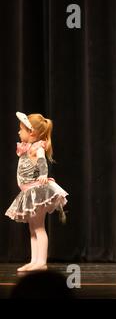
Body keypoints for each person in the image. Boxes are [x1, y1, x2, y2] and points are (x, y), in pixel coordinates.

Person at [6, 112, 68, 272]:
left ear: (31, 132)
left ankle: (41, 262)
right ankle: (34, 260)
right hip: (28, 192)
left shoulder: (36, 147)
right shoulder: (26, 148)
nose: (19, 132)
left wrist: (43, 174)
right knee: (32, 228)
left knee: (39, 227)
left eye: (21, 129)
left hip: (37, 192)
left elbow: (41, 160)